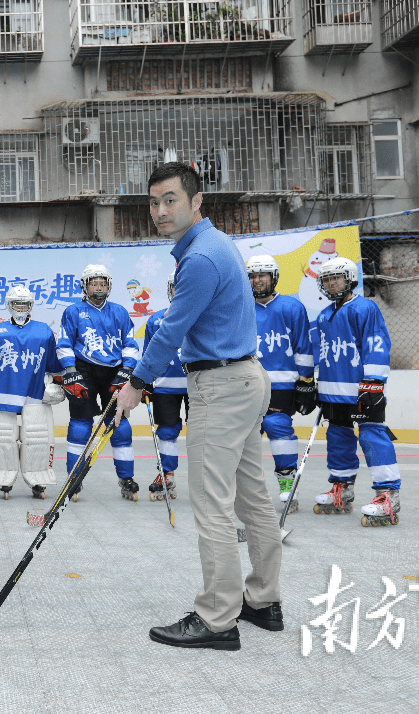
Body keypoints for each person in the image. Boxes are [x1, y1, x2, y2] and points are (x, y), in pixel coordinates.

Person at [115, 161, 280, 652]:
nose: (160, 211)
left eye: (170, 200)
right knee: (253, 497)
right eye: (154, 202)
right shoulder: (214, 245)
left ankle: (217, 617)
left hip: (222, 386)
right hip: (244, 378)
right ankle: (263, 600)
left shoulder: (202, 257)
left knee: (212, 503)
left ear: (196, 201)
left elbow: (172, 329)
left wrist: (136, 382)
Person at [311, 257, 401, 527]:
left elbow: (377, 343)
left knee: (373, 435)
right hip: (333, 391)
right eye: (327, 280)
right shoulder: (323, 315)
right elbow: (323, 354)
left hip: (363, 389)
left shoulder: (365, 308)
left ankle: (388, 495)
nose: (331, 283)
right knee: (337, 437)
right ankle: (342, 488)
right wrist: (316, 386)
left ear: (349, 279)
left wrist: (374, 381)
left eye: (336, 278)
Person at [56, 264, 139, 501]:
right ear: (85, 286)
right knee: (80, 426)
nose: (99, 287)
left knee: (120, 426)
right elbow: (64, 343)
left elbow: (130, 344)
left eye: (103, 283)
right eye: (94, 283)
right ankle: (73, 478)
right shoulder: (73, 311)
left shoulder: (120, 312)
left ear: (109, 286)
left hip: (115, 372)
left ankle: (126, 478)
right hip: (83, 370)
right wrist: (71, 372)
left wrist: (126, 371)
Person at [0, 284, 63, 500]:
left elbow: (53, 364)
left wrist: (58, 382)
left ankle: (38, 478)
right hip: (2, 393)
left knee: (37, 439)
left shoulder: (44, 331)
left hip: (34, 394)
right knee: (2, 439)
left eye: (24, 304)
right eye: (17, 303)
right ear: (9, 305)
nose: (21, 307)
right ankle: (3, 477)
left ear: (31, 305)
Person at [247, 255, 316, 514]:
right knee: (246, 435)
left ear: (274, 277)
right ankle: (248, 490)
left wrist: (306, 381)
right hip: (247, 383)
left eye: (262, 275)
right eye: (253, 276)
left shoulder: (292, 307)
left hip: (282, 384)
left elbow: (302, 346)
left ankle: (287, 484)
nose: (257, 280)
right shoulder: (241, 308)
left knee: (277, 426)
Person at [140, 273, 186, 502]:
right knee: (166, 432)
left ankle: (208, 477)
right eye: (175, 286)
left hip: (199, 384)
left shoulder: (204, 316)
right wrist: (144, 381)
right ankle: (167, 474)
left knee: (206, 434)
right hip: (165, 386)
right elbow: (148, 354)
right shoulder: (155, 320)